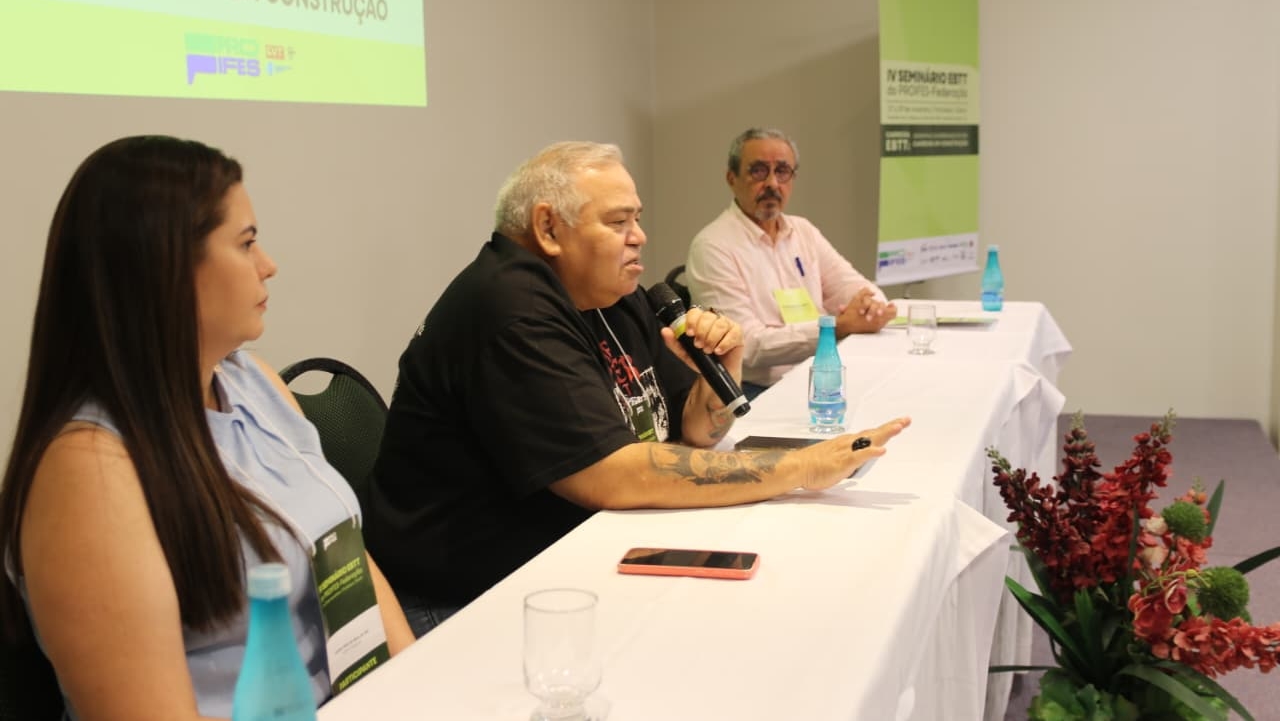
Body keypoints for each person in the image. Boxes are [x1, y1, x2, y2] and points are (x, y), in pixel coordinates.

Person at [363, 141, 908, 634]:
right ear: (548, 229)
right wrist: (798, 469)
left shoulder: (610, 295)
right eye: (619, 221)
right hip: (463, 601)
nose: (639, 236)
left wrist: (721, 376)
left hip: (572, 555)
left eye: (638, 218)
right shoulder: (510, 308)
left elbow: (692, 429)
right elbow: (611, 476)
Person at [0, 136, 413, 721]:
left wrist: (420, 685)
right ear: (166, 270)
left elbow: (347, 556)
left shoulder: (255, 383)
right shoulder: (88, 471)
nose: (268, 264)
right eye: (246, 243)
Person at [686, 128, 898, 396]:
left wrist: (870, 307)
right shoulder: (713, 246)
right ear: (732, 178)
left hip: (820, 373)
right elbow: (746, 345)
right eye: (759, 171)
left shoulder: (803, 231)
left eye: (782, 171)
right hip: (758, 390)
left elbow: (856, 286)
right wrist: (835, 328)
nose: (772, 183)